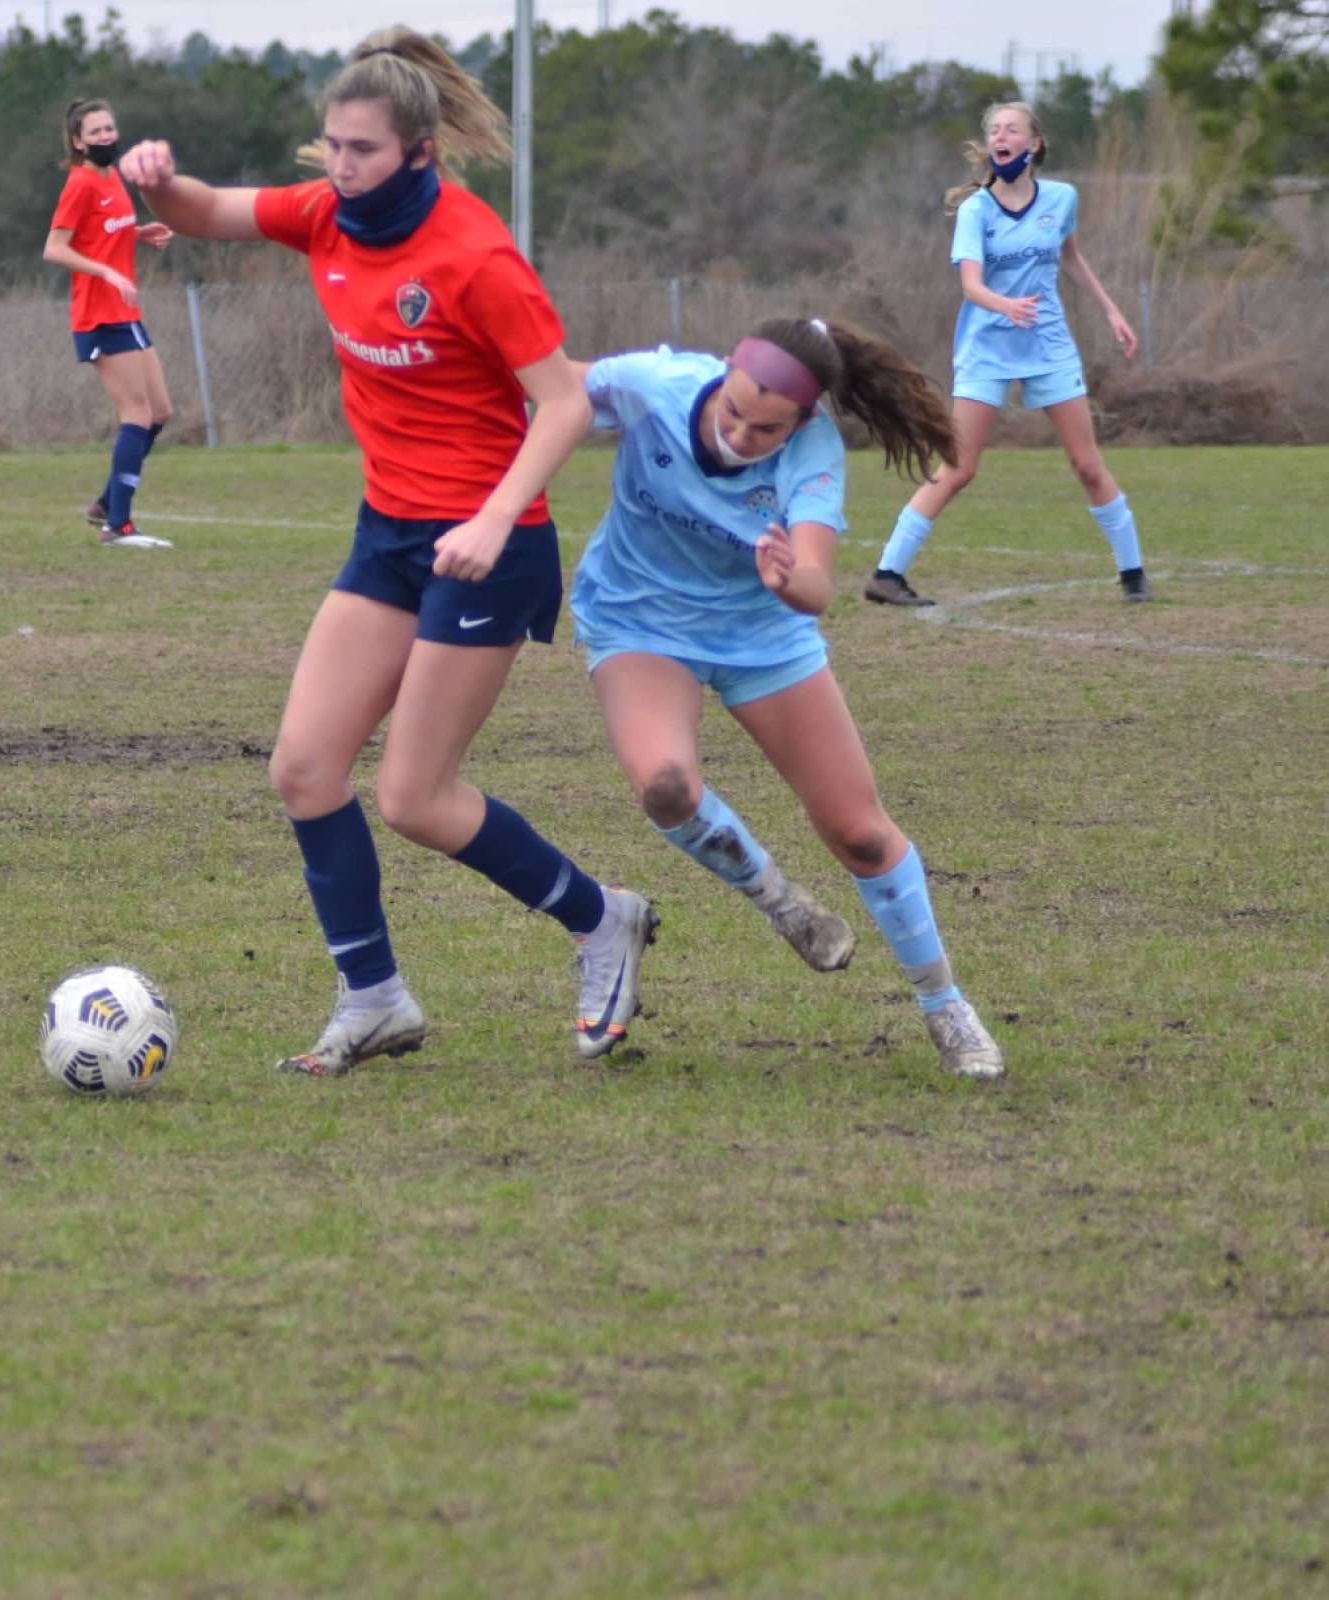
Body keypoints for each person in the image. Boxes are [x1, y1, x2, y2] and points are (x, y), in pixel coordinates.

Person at [121, 28, 657, 1073]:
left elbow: (563, 402)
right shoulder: (325, 213)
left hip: (490, 547)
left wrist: (497, 516)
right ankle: (374, 996)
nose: (339, 165)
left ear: (418, 152)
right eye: (331, 146)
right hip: (390, 537)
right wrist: (160, 177)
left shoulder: (474, 254)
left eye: (361, 149)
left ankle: (605, 922)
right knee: (306, 768)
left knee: (415, 797)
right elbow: (209, 212)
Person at [568, 318, 1005, 1079]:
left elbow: (814, 587)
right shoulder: (652, 384)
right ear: (724, 369)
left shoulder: (813, 451)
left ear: (803, 419)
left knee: (861, 835)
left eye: (763, 428)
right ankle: (782, 904)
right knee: (666, 789)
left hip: (761, 634)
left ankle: (944, 1005)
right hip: (640, 621)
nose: (738, 433)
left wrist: (786, 578)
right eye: (730, 412)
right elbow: (550, 386)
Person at [866, 100, 1149, 607]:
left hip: (1049, 345)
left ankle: (1133, 575)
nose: (1001, 135)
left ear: (1034, 143)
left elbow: (1071, 257)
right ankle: (887, 575)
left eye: (1012, 129)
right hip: (987, 348)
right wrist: (1005, 304)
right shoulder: (977, 210)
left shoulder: (1061, 198)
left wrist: (1111, 310)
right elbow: (971, 286)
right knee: (959, 467)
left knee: (1087, 464)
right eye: (994, 129)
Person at [44, 97, 175, 549]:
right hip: (99, 315)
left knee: (159, 413)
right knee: (136, 414)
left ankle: (105, 503)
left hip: (126, 310)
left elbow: (101, 233)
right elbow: (55, 248)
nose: (104, 137)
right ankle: (117, 526)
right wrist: (105, 271)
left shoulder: (113, 176)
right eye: (94, 132)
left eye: (109, 129)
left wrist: (136, 234)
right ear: (78, 141)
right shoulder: (79, 184)